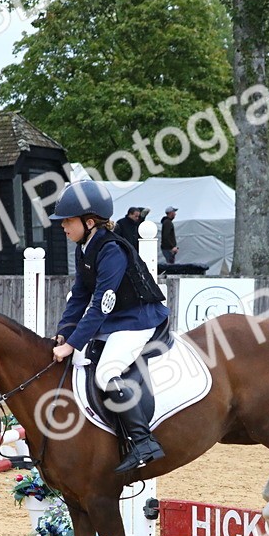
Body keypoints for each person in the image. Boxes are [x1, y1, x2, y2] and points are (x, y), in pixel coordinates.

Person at [50, 181, 169, 473]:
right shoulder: (84, 249)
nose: (63, 226)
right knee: (78, 359)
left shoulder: (112, 249)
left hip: (139, 319)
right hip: (117, 319)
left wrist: (74, 342)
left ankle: (143, 442)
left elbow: (101, 302)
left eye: (67, 220)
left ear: (89, 222)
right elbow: (79, 296)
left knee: (106, 373)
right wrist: (65, 331)